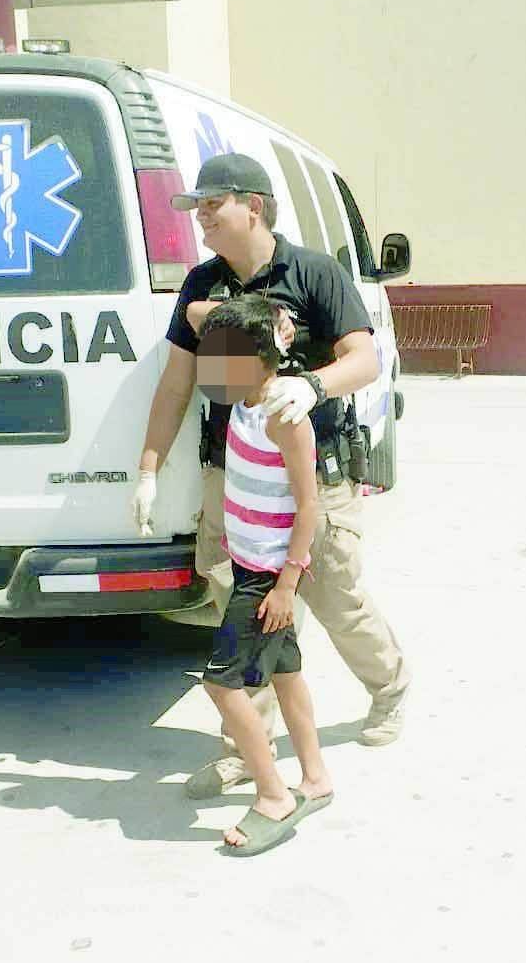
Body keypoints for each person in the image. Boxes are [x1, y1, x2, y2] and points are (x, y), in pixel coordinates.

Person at [133, 152, 410, 798]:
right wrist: (147, 469)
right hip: (231, 482)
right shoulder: (202, 286)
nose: (199, 218)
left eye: (211, 204)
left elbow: (363, 358)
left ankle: (390, 686)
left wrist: (312, 387)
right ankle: (245, 747)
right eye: (196, 207)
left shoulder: (314, 273)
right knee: (239, 610)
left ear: (251, 206)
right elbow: (177, 383)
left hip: (309, 471)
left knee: (335, 598)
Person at [195, 295, 334, 854]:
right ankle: (317, 778)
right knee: (286, 675)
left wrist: (285, 585)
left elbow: (310, 507)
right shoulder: (245, 400)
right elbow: (201, 315)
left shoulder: (283, 414)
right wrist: (269, 318)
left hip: (269, 577)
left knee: (221, 683)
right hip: (251, 563)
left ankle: (273, 795)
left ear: (255, 358)